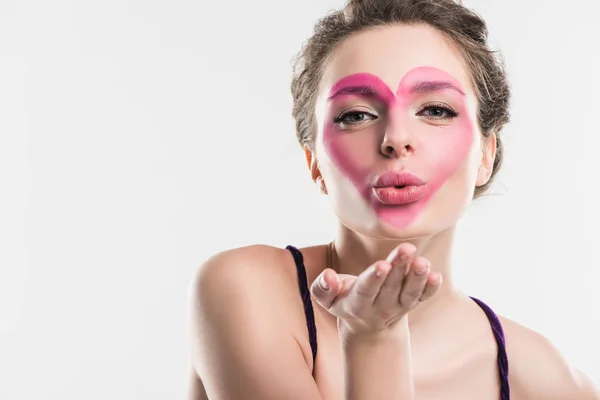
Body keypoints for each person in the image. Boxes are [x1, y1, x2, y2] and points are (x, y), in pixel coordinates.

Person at [186, 0, 600, 399]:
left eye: (436, 110)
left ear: (487, 155)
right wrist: (373, 338)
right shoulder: (246, 290)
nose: (395, 139)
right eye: (356, 115)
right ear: (315, 164)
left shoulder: (550, 383)